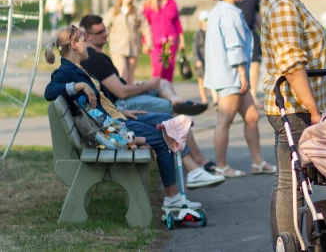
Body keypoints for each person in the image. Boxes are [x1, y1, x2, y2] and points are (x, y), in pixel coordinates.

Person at [43, 26, 224, 209]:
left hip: (117, 118)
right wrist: (79, 85)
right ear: (74, 45)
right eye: (83, 40)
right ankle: (175, 194)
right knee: (163, 135)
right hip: (110, 128)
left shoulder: (79, 69)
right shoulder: (66, 72)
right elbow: (49, 91)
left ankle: (191, 174)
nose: (87, 45)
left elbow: (102, 101)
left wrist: (121, 110)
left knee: (165, 118)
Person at [261, 0, 326, 248]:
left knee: (288, 181)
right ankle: (289, 243)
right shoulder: (282, 6)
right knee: (291, 183)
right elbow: (292, 65)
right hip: (294, 107)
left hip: (297, 106)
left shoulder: (292, 3)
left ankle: (284, 243)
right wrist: (316, 111)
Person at [204, 0, 275, 178]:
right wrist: (243, 74)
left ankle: (257, 162)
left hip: (230, 75)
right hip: (232, 76)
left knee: (252, 116)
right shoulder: (229, 13)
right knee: (224, 120)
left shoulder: (219, 10)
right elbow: (234, 46)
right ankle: (221, 166)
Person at [80, 15, 208, 116]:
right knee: (172, 109)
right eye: (100, 32)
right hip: (121, 105)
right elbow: (122, 92)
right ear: (87, 36)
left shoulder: (98, 56)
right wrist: (148, 85)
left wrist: (146, 85)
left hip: (124, 98)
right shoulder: (94, 59)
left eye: (105, 30)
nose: (105, 34)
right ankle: (175, 106)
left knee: (163, 83)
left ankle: (175, 99)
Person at [103, 0, 152, 84]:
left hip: (133, 47)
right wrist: (102, 41)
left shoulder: (136, 12)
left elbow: (145, 27)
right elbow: (104, 27)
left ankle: (129, 96)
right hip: (118, 47)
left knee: (130, 75)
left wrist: (148, 42)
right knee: (122, 72)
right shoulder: (113, 11)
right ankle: (121, 94)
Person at [233, 0, 263, 108]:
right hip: (236, 34)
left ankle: (253, 96)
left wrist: (263, 31)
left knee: (255, 65)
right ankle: (239, 96)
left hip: (251, 32)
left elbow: (257, 14)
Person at [143, 0, 185, 82]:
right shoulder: (149, 5)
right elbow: (144, 25)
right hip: (155, 42)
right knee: (158, 67)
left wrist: (182, 40)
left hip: (170, 41)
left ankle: (167, 92)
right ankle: (153, 90)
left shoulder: (172, 2)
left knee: (169, 69)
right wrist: (145, 42)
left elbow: (177, 23)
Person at [193, 10, 219, 106]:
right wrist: (197, 59)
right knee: (202, 80)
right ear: (201, 21)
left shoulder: (212, 32)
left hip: (210, 60)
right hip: (201, 59)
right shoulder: (198, 34)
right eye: (205, 20)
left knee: (212, 79)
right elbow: (195, 48)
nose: (207, 22)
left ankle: (215, 99)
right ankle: (204, 99)